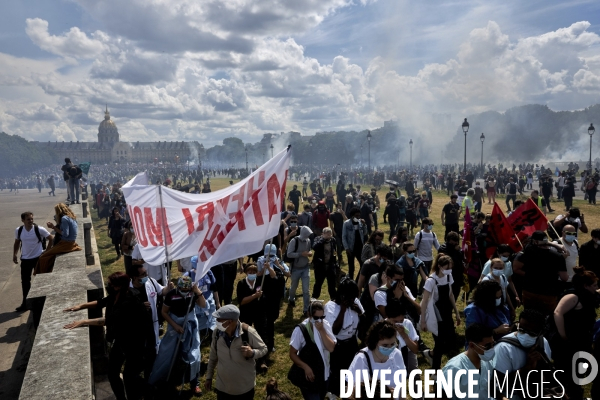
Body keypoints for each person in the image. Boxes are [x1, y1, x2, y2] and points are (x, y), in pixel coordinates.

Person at [64, 272, 153, 400]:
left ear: (118, 286)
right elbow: (102, 302)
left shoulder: (129, 301)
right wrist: (81, 305)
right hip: (121, 341)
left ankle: (142, 394)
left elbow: (108, 320)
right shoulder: (117, 295)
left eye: (110, 284)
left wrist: (84, 321)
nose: (108, 285)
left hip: (135, 345)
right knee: (112, 374)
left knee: (129, 378)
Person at [149, 276, 206, 394]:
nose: (184, 291)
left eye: (187, 289)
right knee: (167, 352)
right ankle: (159, 378)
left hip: (190, 325)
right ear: (178, 286)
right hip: (175, 325)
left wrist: (197, 291)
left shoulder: (192, 293)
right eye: (182, 289)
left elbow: (203, 305)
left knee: (193, 353)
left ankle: (194, 382)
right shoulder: (171, 295)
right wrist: (175, 326)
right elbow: (164, 312)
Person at [550, 266, 599, 400]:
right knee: (567, 372)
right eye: (594, 285)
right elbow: (557, 312)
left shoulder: (590, 295)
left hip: (581, 339)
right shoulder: (573, 296)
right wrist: (563, 334)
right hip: (568, 341)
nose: (597, 287)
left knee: (578, 370)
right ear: (585, 285)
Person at [205, 304, 268, 399]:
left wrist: (252, 353)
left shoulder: (248, 332)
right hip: (223, 389)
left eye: (219, 319)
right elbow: (213, 356)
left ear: (229, 321)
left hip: (244, 389)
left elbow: (264, 349)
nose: (216, 322)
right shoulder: (216, 333)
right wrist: (209, 377)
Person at [491, 309, 553, 400]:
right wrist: (526, 368)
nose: (526, 335)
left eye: (532, 333)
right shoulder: (504, 348)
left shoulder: (543, 343)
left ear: (541, 332)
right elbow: (499, 385)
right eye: (522, 330)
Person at [345, 320, 406, 400]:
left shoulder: (397, 354)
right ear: (375, 341)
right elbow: (350, 391)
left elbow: (402, 385)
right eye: (385, 345)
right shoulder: (362, 358)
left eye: (393, 344)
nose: (390, 348)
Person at [289, 300, 337, 400]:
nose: (319, 320)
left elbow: (331, 348)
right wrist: (305, 367)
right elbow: (292, 354)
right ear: (309, 315)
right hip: (309, 377)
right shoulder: (300, 330)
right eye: (316, 318)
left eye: (322, 317)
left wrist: (322, 331)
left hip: (324, 373)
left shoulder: (325, 325)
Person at [324, 278, 364, 399]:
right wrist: (342, 310)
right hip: (338, 345)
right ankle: (335, 392)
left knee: (353, 368)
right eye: (350, 298)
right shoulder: (331, 307)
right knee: (338, 371)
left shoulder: (355, 301)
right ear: (342, 296)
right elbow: (335, 330)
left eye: (354, 298)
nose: (353, 300)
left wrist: (359, 311)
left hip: (351, 341)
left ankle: (350, 391)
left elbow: (363, 319)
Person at [420, 254, 461, 369]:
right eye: (446, 268)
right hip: (436, 313)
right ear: (439, 266)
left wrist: (457, 313)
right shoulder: (431, 280)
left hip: (447, 311)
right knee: (439, 342)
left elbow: (451, 294)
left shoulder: (448, 277)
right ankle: (435, 370)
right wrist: (423, 320)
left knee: (450, 341)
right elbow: (424, 301)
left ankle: (430, 354)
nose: (449, 271)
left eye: (450, 268)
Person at [512, 230, 568, 316]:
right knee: (547, 317)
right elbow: (564, 277)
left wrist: (530, 276)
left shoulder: (527, 251)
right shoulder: (557, 256)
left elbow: (516, 268)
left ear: (534, 241)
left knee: (529, 315)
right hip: (548, 293)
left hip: (529, 291)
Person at [441, 323, 495, 400]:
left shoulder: (487, 362)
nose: (492, 348)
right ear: (472, 345)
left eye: (493, 344)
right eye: (487, 346)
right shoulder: (454, 367)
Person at [13, 211, 53, 311]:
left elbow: (51, 238)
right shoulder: (19, 230)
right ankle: (25, 303)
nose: (30, 221)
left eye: (31, 219)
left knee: (40, 281)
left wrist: (46, 252)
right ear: (23, 220)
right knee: (25, 282)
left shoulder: (39, 229)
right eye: (28, 219)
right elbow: (17, 242)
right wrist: (14, 254)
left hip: (38, 258)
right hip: (25, 260)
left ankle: (41, 302)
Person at [257, 244, 290, 352]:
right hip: (265, 294)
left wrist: (277, 265)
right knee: (267, 321)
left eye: (272, 255)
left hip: (276, 294)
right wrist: (263, 268)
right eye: (268, 255)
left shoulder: (279, 261)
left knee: (274, 316)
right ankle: (268, 343)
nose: (270, 257)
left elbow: (288, 274)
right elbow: (258, 275)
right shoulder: (260, 261)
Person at [236, 263, 268, 371]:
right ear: (246, 273)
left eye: (254, 272)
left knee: (261, 334)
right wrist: (254, 296)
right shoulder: (241, 284)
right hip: (246, 313)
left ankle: (262, 359)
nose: (252, 274)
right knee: (245, 335)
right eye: (250, 272)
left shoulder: (260, 282)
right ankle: (247, 355)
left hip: (259, 312)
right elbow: (242, 301)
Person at [35, 203, 82, 274]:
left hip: (66, 244)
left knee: (43, 257)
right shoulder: (72, 217)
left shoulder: (64, 218)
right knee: (50, 256)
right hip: (71, 242)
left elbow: (66, 234)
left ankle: (41, 274)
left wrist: (53, 227)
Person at [287, 226, 313, 314]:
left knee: (306, 290)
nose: (308, 236)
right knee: (293, 287)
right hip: (295, 269)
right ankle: (291, 299)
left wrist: (309, 254)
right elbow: (289, 254)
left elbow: (308, 250)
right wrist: (301, 254)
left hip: (305, 268)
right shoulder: (294, 241)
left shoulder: (308, 241)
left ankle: (306, 309)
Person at [413, 218, 440, 295]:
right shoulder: (419, 234)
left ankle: (420, 291)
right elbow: (414, 247)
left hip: (430, 259)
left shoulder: (433, 234)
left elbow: (437, 246)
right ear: (424, 224)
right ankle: (416, 291)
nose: (431, 226)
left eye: (432, 224)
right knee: (417, 276)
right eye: (429, 224)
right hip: (420, 259)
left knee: (426, 277)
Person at [311, 227, 338, 300]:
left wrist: (335, 263)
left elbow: (334, 251)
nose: (329, 236)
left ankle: (334, 299)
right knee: (318, 283)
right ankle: (314, 298)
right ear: (323, 234)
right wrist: (323, 239)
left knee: (332, 284)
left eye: (330, 234)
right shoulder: (318, 239)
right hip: (320, 266)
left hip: (330, 265)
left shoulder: (333, 240)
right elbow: (314, 247)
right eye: (327, 234)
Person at [342, 207, 368, 281]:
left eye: (359, 215)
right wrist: (346, 248)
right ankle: (350, 282)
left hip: (359, 247)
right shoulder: (346, 223)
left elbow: (365, 233)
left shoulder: (360, 222)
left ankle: (357, 281)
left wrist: (364, 225)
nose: (358, 217)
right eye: (356, 216)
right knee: (351, 267)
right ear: (352, 215)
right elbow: (344, 237)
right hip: (350, 248)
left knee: (363, 265)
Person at [437, 231, 464, 300]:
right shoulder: (443, 248)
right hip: (447, 275)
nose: (454, 244)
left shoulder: (458, 249)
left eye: (455, 242)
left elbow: (461, 259)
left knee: (456, 293)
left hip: (457, 275)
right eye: (452, 242)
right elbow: (447, 260)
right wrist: (455, 250)